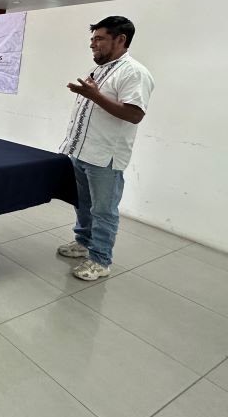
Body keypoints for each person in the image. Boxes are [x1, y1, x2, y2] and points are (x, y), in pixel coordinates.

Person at [57, 16, 155, 281]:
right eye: (92, 39)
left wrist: (95, 96)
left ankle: (100, 260)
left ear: (120, 39)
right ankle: (83, 242)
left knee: (103, 210)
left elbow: (135, 115)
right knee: (84, 204)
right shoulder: (101, 69)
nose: (93, 45)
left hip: (105, 157)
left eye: (99, 39)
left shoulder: (134, 72)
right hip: (82, 151)